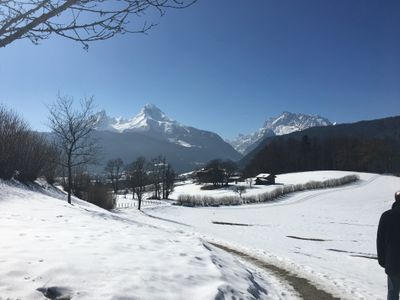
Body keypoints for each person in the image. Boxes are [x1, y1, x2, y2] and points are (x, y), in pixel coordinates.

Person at [377, 191, 400, 300]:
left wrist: (382, 261)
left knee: (393, 292)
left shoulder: (386, 216)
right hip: (392, 262)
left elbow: (380, 241)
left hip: (392, 262)